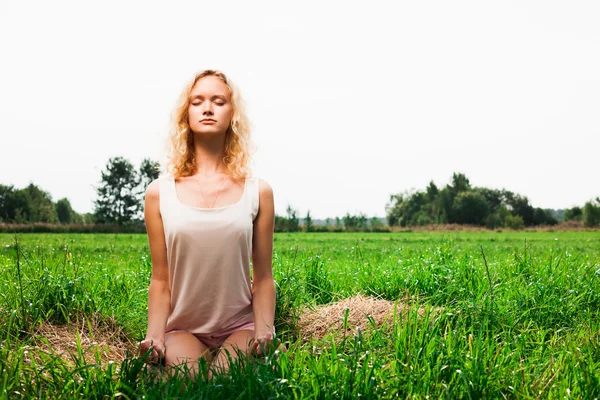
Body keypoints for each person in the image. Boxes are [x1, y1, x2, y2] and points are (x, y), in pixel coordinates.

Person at [138, 69, 276, 378]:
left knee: (223, 384)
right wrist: (155, 337)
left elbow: (264, 278)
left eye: (219, 101)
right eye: (197, 101)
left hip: (240, 328)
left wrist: (265, 330)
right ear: (186, 114)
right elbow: (161, 280)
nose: (208, 108)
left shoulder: (259, 192)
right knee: (191, 384)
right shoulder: (159, 193)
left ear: (233, 114)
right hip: (183, 329)